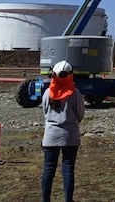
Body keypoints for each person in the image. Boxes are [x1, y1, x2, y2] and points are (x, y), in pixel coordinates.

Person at [41, 60, 85, 202]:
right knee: (68, 169)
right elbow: (80, 113)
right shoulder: (75, 93)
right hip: (70, 135)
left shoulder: (48, 93)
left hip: (50, 135)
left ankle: (45, 199)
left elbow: (45, 112)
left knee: (48, 170)